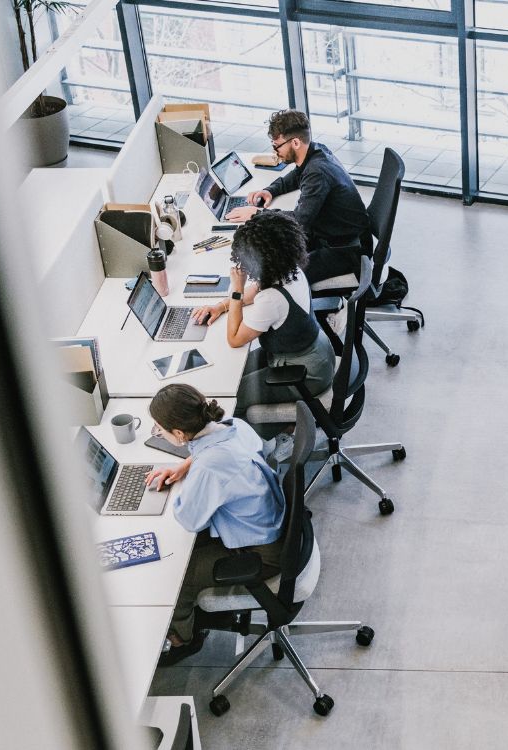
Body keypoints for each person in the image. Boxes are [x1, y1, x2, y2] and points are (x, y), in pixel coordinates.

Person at [144, 384, 285, 666]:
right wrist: (184, 468)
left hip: (262, 553)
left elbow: (189, 519)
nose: (157, 432)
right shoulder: (234, 426)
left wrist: (191, 483)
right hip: (269, 525)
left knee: (176, 575)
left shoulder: (210, 467)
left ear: (179, 434)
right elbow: (207, 453)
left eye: (159, 428)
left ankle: (183, 639)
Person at [191, 211, 335, 440]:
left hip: (306, 374)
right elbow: (255, 291)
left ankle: (269, 441)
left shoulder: (273, 299)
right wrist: (221, 306)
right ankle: (279, 428)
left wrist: (236, 289)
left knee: (231, 398)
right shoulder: (289, 269)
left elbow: (235, 338)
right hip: (313, 354)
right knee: (227, 375)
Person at [225, 109, 371, 284]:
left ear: (295, 142)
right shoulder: (316, 152)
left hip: (345, 249)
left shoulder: (317, 173)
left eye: (277, 146)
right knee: (272, 252)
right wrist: (271, 190)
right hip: (335, 234)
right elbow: (297, 175)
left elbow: (299, 221)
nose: (275, 152)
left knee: (280, 277)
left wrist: (257, 214)